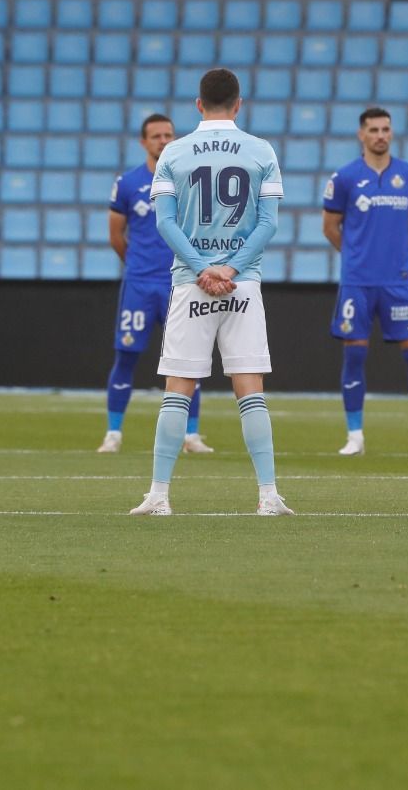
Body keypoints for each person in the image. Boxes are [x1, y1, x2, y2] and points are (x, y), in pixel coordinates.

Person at [129, 69, 292, 517]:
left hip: (190, 284)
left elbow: (164, 222)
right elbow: (268, 222)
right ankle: (268, 494)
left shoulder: (174, 153)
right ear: (238, 105)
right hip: (243, 284)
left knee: (178, 388)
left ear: (198, 105)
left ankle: (159, 495)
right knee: (250, 388)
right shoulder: (261, 151)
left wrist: (202, 269)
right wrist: (231, 267)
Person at [323, 107, 408, 456]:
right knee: (354, 355)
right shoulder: (344, 177)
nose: (380, 135)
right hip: (358, 282)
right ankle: (354, 436)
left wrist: (396, 254)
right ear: (361, 134)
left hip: (398, 281)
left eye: (386, 129)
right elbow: (330, 227)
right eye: (373, 129)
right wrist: (358, 256)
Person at [98, 114, 210, 455]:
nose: (163, 140)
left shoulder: (190, 180)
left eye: (169, 135)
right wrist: (138, 264)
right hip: (141, 285)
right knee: (127, 355)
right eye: (156, 136)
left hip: (181, 283)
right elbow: (116, 236)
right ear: (143, 142)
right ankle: (113, 432)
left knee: (188, 359)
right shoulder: (128, 183)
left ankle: (191, 435)